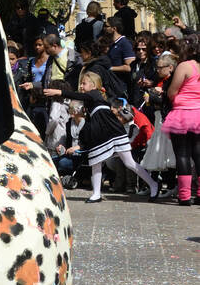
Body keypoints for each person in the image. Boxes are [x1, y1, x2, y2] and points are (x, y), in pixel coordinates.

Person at [75, 71, 159, 204]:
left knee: (129, 163)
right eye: (81, 83)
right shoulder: (91, 100)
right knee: (96, 162)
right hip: (105, 136)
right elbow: (90, 123)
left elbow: (134, 119)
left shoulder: (96, 96)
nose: (81, 86)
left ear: (93, 85)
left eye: (83, 83)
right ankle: (96, 193)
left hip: (116, 134)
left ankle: (153, 184)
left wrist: (60, 93)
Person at [161, 34, 200, 206]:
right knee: (199, 154)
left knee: (183, 154)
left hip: (183, 114)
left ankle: (184, 196)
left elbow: (172, 91)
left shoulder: (184, 66)